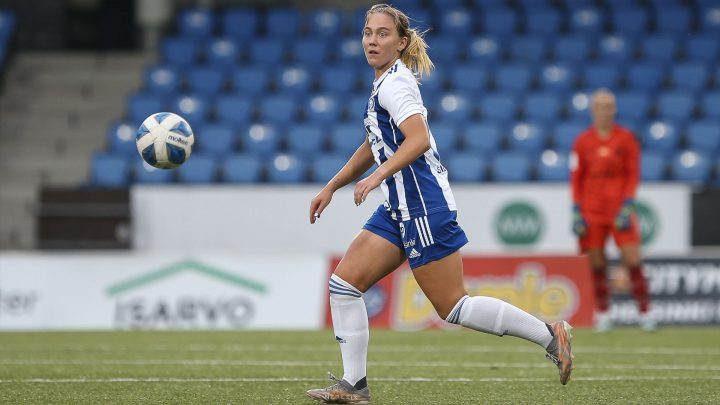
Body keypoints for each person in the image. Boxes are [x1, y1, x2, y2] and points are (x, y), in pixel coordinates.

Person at [305, 4, 574, 404]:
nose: (372, 41)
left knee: (452, 305)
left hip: (422, 206)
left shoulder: (395, 85)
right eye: (367, 32)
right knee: (345, 285)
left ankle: (549, 334)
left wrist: (377, 177)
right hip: (398, 208)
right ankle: (354, 386)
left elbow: (419, 139)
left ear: (400, 42)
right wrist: (333, 185)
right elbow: (375, 142)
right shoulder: (384, 83)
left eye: (382, 34)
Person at [570, 88, 656, 333]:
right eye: (600, 106)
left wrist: (627, 204)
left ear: (614, 109)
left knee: (632, 259)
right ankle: (604, 312)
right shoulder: (582, 141)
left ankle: (645, 312)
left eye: (608, 106)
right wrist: (576, 209)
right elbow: (576, 177)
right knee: (597, 262)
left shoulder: (626, 139)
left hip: (619, 208)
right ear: (593, 109)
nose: (604, 110)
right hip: (591, 209)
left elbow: (633, 174)